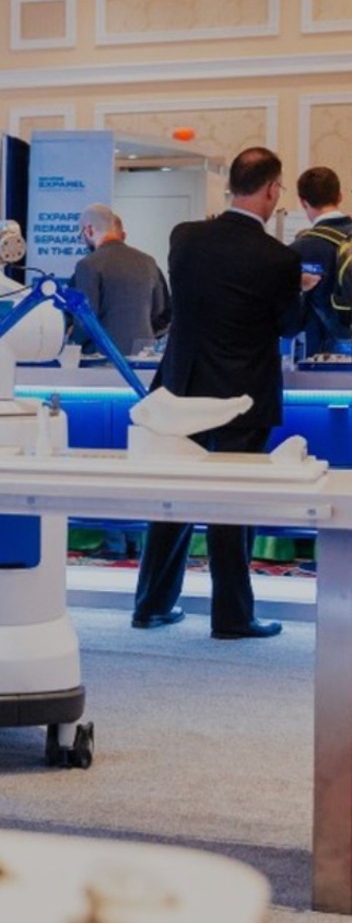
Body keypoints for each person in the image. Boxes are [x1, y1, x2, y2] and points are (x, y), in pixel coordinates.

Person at [132, 147, 316, 640]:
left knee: (171, 502)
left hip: (182, 389)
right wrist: (301, 290)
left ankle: (151, 605)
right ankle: (232, 616)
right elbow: (287, 325)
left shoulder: (184, 238)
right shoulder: (280, 259)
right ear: (273, 190)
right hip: (242, 395)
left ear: (232, 185)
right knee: (232, 507)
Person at [71, 203, 171, 357]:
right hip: (144, 355)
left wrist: (72, 342)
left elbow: (85, 319)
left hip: (102, 357)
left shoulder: (88, 265)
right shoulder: (148, 261)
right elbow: (159, 310)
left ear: (89, 230)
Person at [290, 166, 352, 357]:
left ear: (303, 201)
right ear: (340, 196)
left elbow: (291, 319)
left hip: (323, 357)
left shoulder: (299, 250)